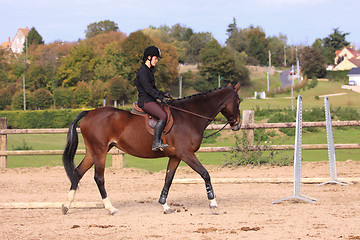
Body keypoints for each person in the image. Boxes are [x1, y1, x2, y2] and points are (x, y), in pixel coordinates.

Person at [135, 46, 172, 151]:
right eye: (156, 58)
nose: (157, 61)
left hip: (151, 100)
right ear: (149, 57)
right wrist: (160, 97)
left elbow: (154, 88)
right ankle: (156, 143)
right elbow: (148, 89)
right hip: (145, 101)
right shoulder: (142, 71)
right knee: (163, 116)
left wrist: (164, 95)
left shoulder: (149, 71)